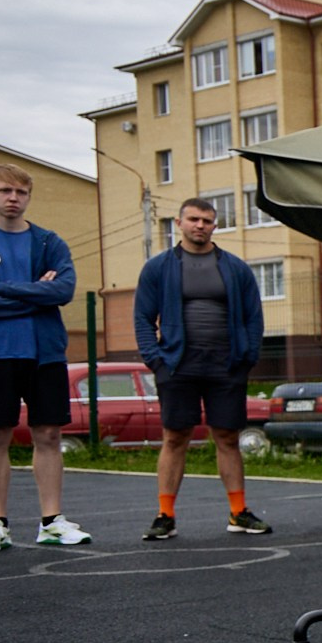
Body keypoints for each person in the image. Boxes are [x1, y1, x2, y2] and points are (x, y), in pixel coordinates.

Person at [0, 164, 91, 551]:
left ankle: (51, 522)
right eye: (5, 191)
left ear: (29, 196)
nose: (13, 199)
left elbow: (63, 291)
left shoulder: (49, 243)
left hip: (44, 353)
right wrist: (34, 295)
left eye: (20, 192)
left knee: (48, 434)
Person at [133, 197, 270, 539]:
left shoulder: (236, 268)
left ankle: (238, 512)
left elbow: (254, 317)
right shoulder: (158, 268)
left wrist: (248, 358)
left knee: (228, 437)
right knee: (175, 437)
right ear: (179, 223)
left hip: (227, 364)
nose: (200, 225)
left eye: (207, 221)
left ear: (214, 226)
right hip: (177, 365)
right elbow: (143, 318)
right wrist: (156, 361)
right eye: (193, 219)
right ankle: (165, 516)